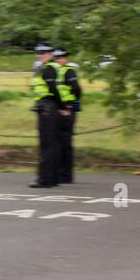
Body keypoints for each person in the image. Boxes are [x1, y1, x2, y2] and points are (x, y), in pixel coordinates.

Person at [29, 43, 61, 188]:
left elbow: (54, 90)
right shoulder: (49, 67)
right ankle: (52, 178)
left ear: (50, 54)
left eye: (43, 53)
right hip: (48, 107)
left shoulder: (48, 69)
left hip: (47, 108)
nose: (40, 55)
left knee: (46, 145)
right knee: (51, 144)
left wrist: (61, 106)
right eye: (39, 53)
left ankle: (44, 179)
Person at [51, 48, 82, 185]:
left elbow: (76, 89)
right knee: (58, 143)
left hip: (67, 111)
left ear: (65, 58)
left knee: (65, 143)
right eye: (57, 58)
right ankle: (60, 173)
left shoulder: (69, 71)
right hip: (58, 110)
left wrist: (71, 105)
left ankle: (66, 175)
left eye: (61, 57)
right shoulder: (56, 71)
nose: (59, 60)